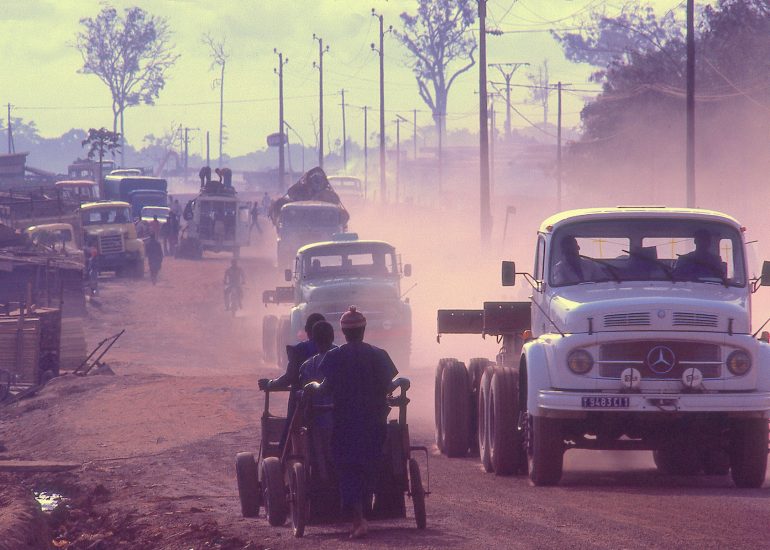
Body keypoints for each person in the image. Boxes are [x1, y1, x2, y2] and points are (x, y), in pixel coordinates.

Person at [317, 306, 397, 539]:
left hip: (345, 424)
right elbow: (389, 386)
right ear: (364, 330)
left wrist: (312, 388)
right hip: (375, 423)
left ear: (343, 332)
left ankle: (358, 518)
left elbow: (325, 389)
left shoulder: (334, 357)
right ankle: (364, 507)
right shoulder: (379, 354)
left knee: (347, 467)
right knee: (368, 464)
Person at [259, 313, 326, 449]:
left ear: (307, 331)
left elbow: (289, 378)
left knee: (290, 427)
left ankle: (282, 453)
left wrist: (269, 384)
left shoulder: (299, 350)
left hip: (302, 404)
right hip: (329, 403)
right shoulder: (336, 350)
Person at [299, 320, 337, 482]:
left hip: (322, 422)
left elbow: (305, 395)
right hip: (347, 418)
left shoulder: (309, 365)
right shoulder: (344, 357)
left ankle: (322, 477)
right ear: (333, 336)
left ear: (313, 339)